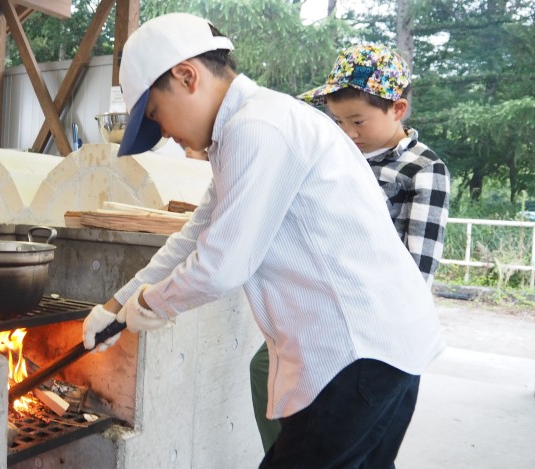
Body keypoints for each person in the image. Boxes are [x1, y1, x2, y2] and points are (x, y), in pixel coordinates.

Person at [81, 12, 444, 468]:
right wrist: (116, 303)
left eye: (156, 115)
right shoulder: (247, 127)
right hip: (384, 348)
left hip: (356, 354)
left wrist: (148, 306)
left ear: (186, 76)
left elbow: (221, 265)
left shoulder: (257, 128)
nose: (166, 137)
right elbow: (196, 233)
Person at [248, 43, 452, 452]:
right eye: (338, 121)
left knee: (358, 440)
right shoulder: (334, 152)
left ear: (398, 109)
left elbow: (417, 270)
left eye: (357, 121)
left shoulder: (422, 169)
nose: (348, 132)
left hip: (375, 320)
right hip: (319, 305)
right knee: (264, 366)